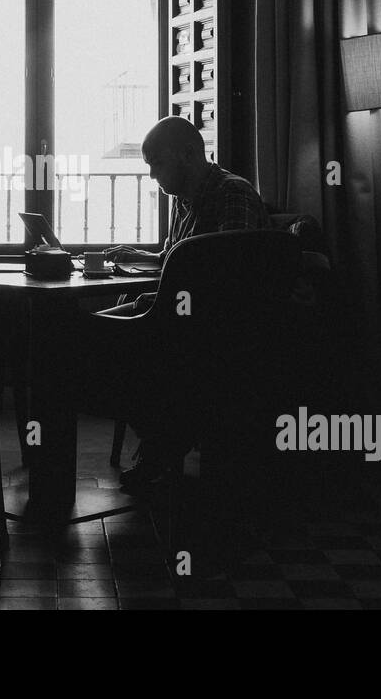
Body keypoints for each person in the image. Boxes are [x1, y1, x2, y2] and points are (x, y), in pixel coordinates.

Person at [98, 115, 270, 492]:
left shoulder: (232, 193)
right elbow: (178, 259)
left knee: (102, 342)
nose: (152, 175)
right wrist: (139, 257)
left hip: (211, 326)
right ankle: (164, 440)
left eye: (157, 163)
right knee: (94, 335)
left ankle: (163, 441)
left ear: (188, 154)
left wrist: (160, 300)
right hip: (178, 313)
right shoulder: (184, 200)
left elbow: (234, 273)